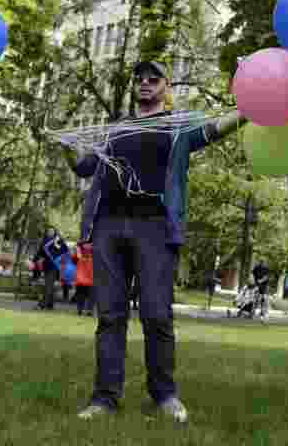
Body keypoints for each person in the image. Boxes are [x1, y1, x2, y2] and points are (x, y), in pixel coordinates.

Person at [63, 58, 246, 423]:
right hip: (109, 226)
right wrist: (66, 143)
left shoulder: (177, 127)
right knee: (110, 316)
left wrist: (252, 107)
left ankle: (164, 395)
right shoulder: (116, 129)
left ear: (167, 87)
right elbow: (83, 166)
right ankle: (104, 399)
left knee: (156, 314)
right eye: (140, 78)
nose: (145, 82)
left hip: (155, 227)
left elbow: (217, 128)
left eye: (154, 78)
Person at [35, 227, 67, 310]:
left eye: (52, 231)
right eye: (48, 231)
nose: (50, 232)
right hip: (46, 266)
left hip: (55, 266)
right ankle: (50, 304)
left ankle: (42, 305)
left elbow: (63, 252)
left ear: (55, 232)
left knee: (48, 286)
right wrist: (35, 260)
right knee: (50, 286)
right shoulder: (44, 241)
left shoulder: (57, 241)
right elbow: (39, 253)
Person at [73, 241, 95, 316]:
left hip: (85, 278)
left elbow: (74, 260)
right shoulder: (79, 253)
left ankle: (83, 309)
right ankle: (86, 309)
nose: (88, 246)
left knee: (84, 295)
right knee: (87, 295)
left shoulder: (80, 253)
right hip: (86, 278)